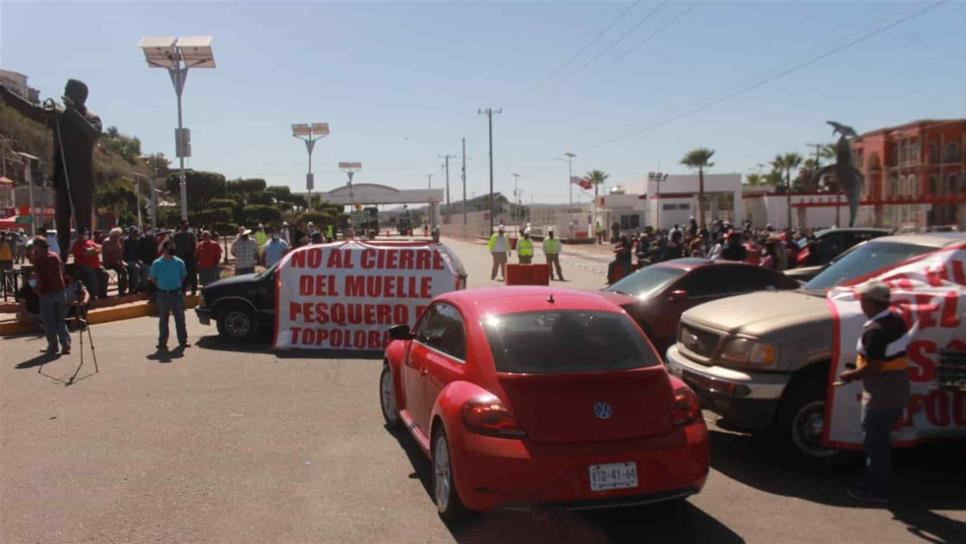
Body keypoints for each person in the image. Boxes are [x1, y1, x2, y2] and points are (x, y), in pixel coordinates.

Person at [1, 80, 102, 260]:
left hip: (82, 180)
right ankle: (63, 257)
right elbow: (31, 110)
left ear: (78, 95)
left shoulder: (91, 117)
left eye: (67, 91)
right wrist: (5, 93)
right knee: (62, 220)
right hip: (62, 177)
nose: (63, 94)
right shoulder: (59, 117)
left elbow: (93, 133)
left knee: (83, 223)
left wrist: (72, 113)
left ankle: (85, 257)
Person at [839, 282, 910, 503]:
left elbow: (874, 367)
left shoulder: (875, 331)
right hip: (896, 388)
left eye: (862, 299)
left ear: (870, 302)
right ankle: (874, 482)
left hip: (881, 393)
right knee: (878, 441)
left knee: (875, 443)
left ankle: (876, 491)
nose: (860, 302)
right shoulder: (896, 320)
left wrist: (850, 375)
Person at [32, 237, 70, 355]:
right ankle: (65, 344)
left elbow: (41, 277)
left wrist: (38, 289)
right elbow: (62, 270)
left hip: (47, 293)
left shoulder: (40, 259)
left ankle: (53, 345)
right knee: (60, 320)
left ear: (38, 247)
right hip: (60, 290)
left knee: (49, 321)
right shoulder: (54, 256)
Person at [149, 239, 189, 351]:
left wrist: (176, 285)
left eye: (174, 247)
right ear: (165, 249)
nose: (173, 249)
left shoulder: (179, 262)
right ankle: (162, 342)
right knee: (163, 319)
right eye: (171, 247)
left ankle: (183, 340)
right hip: (162, 294)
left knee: (180, 318)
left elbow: (183, 277)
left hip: (176, 293)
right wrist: (161, 286)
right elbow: (153, 278)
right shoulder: (157, 263)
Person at [71, 229, 107, 298]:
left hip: (96, 265)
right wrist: (93, 250)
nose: (84, 236)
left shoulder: (90, 241)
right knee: (92, 275)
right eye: (83, 234)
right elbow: (85, 254)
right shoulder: (76, 244)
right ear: (79, 235)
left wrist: (90, 250)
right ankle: (93, 294)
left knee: (105, 274)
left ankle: (102, 293)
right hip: (83, 266)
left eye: (85, 234)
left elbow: (100, 248)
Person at [173, 220, 198, 295]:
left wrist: (194, 255)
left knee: (192, 273)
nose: (186, 226)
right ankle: (183, 289)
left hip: (190, 256)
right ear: (181, 225)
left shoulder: (191, 235)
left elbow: (194, 245)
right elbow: (175, 246)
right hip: (181, 256)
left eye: (187, 225)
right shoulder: (177, 235)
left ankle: (194, 289)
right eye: (185, 225)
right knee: (183, 274)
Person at [101, 227, 128, 295]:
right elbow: (111, 255)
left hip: (117, 262)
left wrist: (122, 244)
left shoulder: (117, 241)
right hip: (109, 262)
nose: (119, 236)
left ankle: (123, 288)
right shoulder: (107, 242)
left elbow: (121, 252)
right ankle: (121, 290)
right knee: (122, 271)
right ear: (114, 235)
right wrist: (119, 262)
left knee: (126, 270)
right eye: (118, 235)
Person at [123, 226, 145, 292]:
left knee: (146, 267)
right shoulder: (126, 241)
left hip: (137, 260)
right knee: (136, 267)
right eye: (133, 232)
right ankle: (136, 288)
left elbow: (140, 252)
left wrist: (141, 260)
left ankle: (143, 287)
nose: (135, 233)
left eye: (136, 232)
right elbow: (123, 253)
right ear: (130, 233)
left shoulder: (139, 240)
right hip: (127, 260)